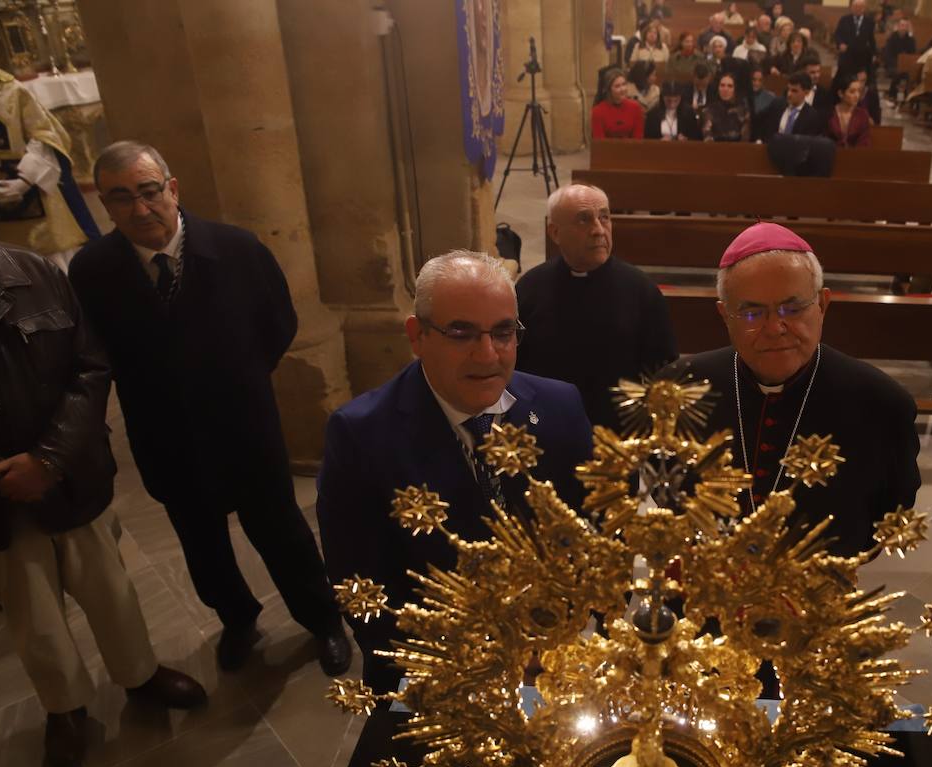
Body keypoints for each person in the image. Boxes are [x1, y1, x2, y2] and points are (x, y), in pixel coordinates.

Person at [68, 141, 352, 675]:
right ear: (105, 204)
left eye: (149, 191)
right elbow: (94, 350)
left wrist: (236, 380)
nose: (141, 208)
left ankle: (323, 619)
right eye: (122, 197)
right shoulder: (92, 269)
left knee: (280, 530)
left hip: (243, 424)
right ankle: (237, 617)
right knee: (200, 540)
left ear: (172, 189)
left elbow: (278, 323)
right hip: (163, 433)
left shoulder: (237, 249)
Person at [0, 235, 207, 767]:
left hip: (70, 471)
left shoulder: (30, 270)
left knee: (109, 588)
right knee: (32, 612)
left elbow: (89, 365)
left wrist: (48, 459)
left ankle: (140, 675)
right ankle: (64, 708)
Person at [317, 251, 594, 691]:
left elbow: (587, 533)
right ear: (417, 336)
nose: (488, 354)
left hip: (554, 657)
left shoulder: (561, 406)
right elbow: (362, 588)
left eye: (503, 332)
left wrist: (561, 634)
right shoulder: (361, 435)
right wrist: (471, 668)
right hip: (439, 674)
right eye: (461, 333)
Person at [667, 222, 920, 558]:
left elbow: (890, 513)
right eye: (751, 312)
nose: (775, 328)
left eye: (793, 308)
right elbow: (667, 489)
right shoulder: (679, 389)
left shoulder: (883, 405)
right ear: (724, 315)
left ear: (823, 305)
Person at [515, 185, 678, 430]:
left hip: (620, 428)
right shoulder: (530, 288)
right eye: (584, 219)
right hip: (545, 423)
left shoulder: (642, 291)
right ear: (555, 232)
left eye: (604, 217)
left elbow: (663, 371)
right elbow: (515, 366)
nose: (599, 230)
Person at [0, 34, 101, 268]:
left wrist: (24, 180)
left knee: (50, 268)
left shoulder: (12, 91)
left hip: (33, 194)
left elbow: (45, 136)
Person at [758, 71, 825, 141]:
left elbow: (808, 143)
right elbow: (760, 122)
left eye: (794, 91)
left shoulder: (812, 116)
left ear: (806, 92)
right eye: (788, 89)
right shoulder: (777, 104)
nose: (789, 94)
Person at [592, 70, 646, 139]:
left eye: (624, 84)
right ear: (608, 90)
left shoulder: (635, 107)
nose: (623, 89)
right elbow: (599, 142)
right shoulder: (597, 111)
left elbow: (638, 138)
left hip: (631, 146)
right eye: (617, 86)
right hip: (607, 146)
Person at [827, 72, 872, 147]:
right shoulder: (829, 113)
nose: (857, 95)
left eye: (858, 91)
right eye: (852, 91)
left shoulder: (862, 114)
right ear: (840, 93)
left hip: (856, 153)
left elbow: (864, 142)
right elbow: (824, 140)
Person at [702, 73, 751, 142]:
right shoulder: (709, 110)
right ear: (718, 88)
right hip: (715, 147)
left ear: (735, 89)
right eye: (722, 85)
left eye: (730, 86)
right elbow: (707, 136)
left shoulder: (744, 111)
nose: (725, 89)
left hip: (738, 147)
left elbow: (745, 139)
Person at [834, 0, 877, 75]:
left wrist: (874, 54)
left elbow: (871, 39)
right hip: (847, 53)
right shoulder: (844, 19)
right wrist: (840, 43)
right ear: (851, 8)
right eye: (855, 7)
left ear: (864, 8)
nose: (857, 9)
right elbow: (837, 34)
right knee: (844, 76)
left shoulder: (869, 22)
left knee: (861, 75)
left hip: (862, 54)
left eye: (860, 7)